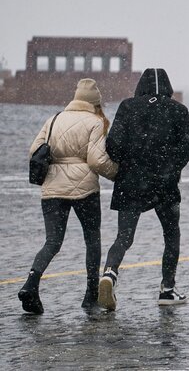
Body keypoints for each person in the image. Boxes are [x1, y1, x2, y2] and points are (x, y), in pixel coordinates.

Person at [18, 79, 119, 314]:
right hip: (86, 190)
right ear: (95, 102)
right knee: (92, 241)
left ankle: (31, 283)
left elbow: (34, 151)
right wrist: (116, 174)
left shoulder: (54, 119)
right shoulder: (95, 122)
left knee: (52, 242)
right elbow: (96, 160)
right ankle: (90, 295)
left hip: (52, 188)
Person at [98, 68, 189, 311]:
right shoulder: (178, 110)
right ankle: (167, 289)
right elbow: (188, 146)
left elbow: (113, 144)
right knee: (171, 235)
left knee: (124, 237)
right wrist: (171, 167)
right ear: (168, 87)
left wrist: (128, 163)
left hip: (131, 182)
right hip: (165, 184)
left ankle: (109, 273)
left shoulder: (128, 107)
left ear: (140, 86)